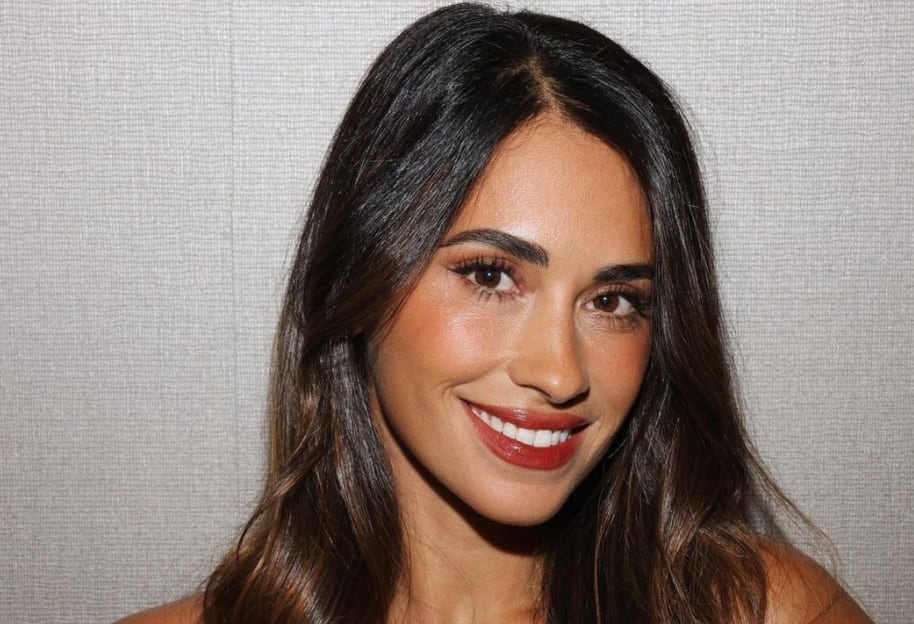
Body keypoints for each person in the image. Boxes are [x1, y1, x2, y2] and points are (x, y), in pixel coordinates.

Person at [119, 3, 873, 623]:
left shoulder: (768, 612)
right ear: (359, 276)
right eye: (490, 275)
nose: (560, 373)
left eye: (613, 301)